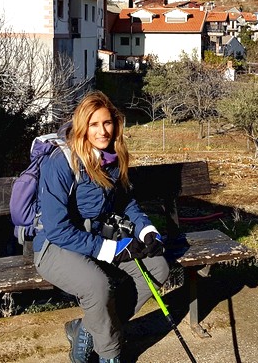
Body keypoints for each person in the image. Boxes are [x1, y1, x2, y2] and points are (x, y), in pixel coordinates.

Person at [34, 91, 169, 363]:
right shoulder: (62, 162)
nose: (102, 131)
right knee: (98, 286)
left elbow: (125, 201)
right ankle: (110, 355)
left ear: (116, 124)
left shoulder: (113, 157)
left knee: (158, 268)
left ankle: (86, 328)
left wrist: (146, 230)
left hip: (96, 238)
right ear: (82, 127)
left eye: (107, 123)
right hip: (54, 245)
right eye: (94, 124)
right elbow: (58, 229)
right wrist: (109, 249)